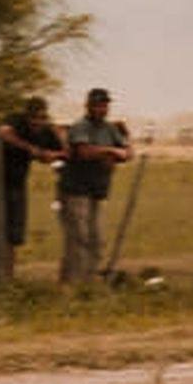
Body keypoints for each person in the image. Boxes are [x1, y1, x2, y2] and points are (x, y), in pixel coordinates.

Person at [0, 98, 66, 279]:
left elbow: (64, 151)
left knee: (13, 234)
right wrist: (31, 149)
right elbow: (3, 133)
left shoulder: (46, 130)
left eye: (42, 117)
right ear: (26, 115)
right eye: (34, 117)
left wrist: (50, 153)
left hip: (16, 183)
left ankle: (7, 276)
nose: (37, 122)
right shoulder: (15, 121)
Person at [58, 86, 132, 285]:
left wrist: (120, 149)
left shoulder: (110, 128)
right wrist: (111, 152)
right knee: (78, 238)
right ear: (89, 106)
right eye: (98, 105)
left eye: (105, 105)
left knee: (96, 239)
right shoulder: (81, 127)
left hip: (97, 190)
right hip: (76, 189)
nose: (102, 109)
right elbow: (84, 152)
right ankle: (72, 283)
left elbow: (127, 152)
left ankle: (88, 282)